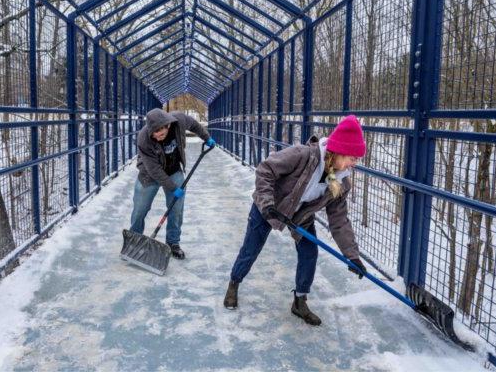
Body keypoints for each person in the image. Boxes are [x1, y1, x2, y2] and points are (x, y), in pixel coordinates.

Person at [223, 115, 367, 326]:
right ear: (338, 152)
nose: (354, 164)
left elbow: (339, 220)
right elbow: (266, 170)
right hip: (269, 206)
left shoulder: (342, 181)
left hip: (300, 215)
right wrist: (267, 203)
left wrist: (352, 256)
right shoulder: (303, 155)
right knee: (251, 248)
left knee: (309, 252)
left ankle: (300, 301)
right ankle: (234, 283)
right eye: (353, 158)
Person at [130, 108, 215, 259]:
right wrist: (172, 188)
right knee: (140, 209)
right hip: (149, 175)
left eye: (161, 133)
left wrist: (206, 137)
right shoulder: (144, 138)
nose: (158, 136)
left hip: (174, 170)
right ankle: (134, 240)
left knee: (176, 209)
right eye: (154, 134)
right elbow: (154, 169)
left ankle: (173, 243)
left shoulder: (179, 120)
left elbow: (194, 125)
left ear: (167, 126)